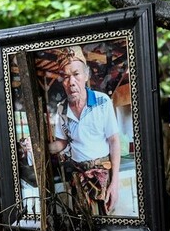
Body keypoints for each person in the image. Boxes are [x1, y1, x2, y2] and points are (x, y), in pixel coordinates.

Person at [47, 46, 121, 214]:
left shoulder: (102, 102)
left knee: (106, 225)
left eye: (76, 74)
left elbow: (114, 141)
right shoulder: (61, 109)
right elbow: (61, 143)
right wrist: (42, 148)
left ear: (86, 75)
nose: (71, 81)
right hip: (78, 177)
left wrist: (115, 183)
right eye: (65, 76)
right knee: (83, 227)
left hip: (103, 175)